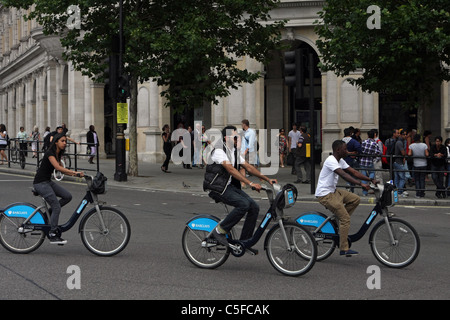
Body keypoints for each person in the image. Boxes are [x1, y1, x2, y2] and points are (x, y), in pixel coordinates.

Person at [204, 125, 277, 250]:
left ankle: (244, 242)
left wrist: (267, 179)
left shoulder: (234, 151)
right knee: (243, 204)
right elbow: (231, 170)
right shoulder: (219, 151)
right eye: (235, 135)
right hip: (217, 188)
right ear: (227, 137)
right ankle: (220, 231)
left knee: (254, 206)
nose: (238, 137)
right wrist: (250, 183)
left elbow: (248, 167)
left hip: (229, 187)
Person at [315, 140, 376, 257]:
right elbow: (344, 175)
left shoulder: (340, 160)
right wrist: (361, 184)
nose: (347, 151)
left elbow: (353, 171)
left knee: (355, 199)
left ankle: (340, 220)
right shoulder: (331, 161)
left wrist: (369, 179)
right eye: (345, 149)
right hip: (325, 195)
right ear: (338, 150)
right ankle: (344, 248)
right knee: (346, 219)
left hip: (333, 192)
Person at [33, 133, 84, 244]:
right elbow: (58, 168)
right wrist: (75, 173)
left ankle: (49, 215)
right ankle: (52, 233)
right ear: (56, 142)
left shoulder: (58, 153)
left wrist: (75, 174)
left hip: (47, 182)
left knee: (67, 196)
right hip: (40, 183)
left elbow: (61, 169)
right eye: (62, 141)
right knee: (56, 206)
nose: (65, 143)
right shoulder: (50, 153)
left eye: (65, 141)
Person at [359, 130, 381, 196]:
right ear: (374, 135)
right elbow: (378, 153)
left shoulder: (363, 142)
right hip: (369, 161)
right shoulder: (375, 143)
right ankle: (371, 181)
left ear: (368, 135)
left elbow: (360, 150)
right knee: (372, 172)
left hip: (362, 161)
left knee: (363, 177)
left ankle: (364, 193)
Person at [408, 134, 429, 198]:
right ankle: (422, 193)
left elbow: (409, 153)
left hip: (416, 164)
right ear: (420, 138)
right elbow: (427, 154)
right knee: (422, 179)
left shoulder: (411, 146)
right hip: (423, 164)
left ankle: (418, 193)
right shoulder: (424, 145)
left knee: (417, 179)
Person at [240, 119, 258, 187]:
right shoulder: (244, 132)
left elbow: (251, 143)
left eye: (242, 124)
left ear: (244, 124)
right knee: (243, 167)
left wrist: (245, 151)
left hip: (249, 152)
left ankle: (261, 177)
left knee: (251, 168)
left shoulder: (251, 132)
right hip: (244, 151)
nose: (241, 125)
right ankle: (243, 183)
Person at [393, 129, 408, 197]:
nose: (405, 136)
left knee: (397, 177)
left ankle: (396, 191)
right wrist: (405, 154)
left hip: (396, 161)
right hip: (399, 162)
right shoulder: (400, 142)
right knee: (402, 178)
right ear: (401, 135)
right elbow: (403, 152)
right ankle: (399, 192)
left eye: (406, 134)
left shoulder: (399, 141)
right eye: (404, 134)